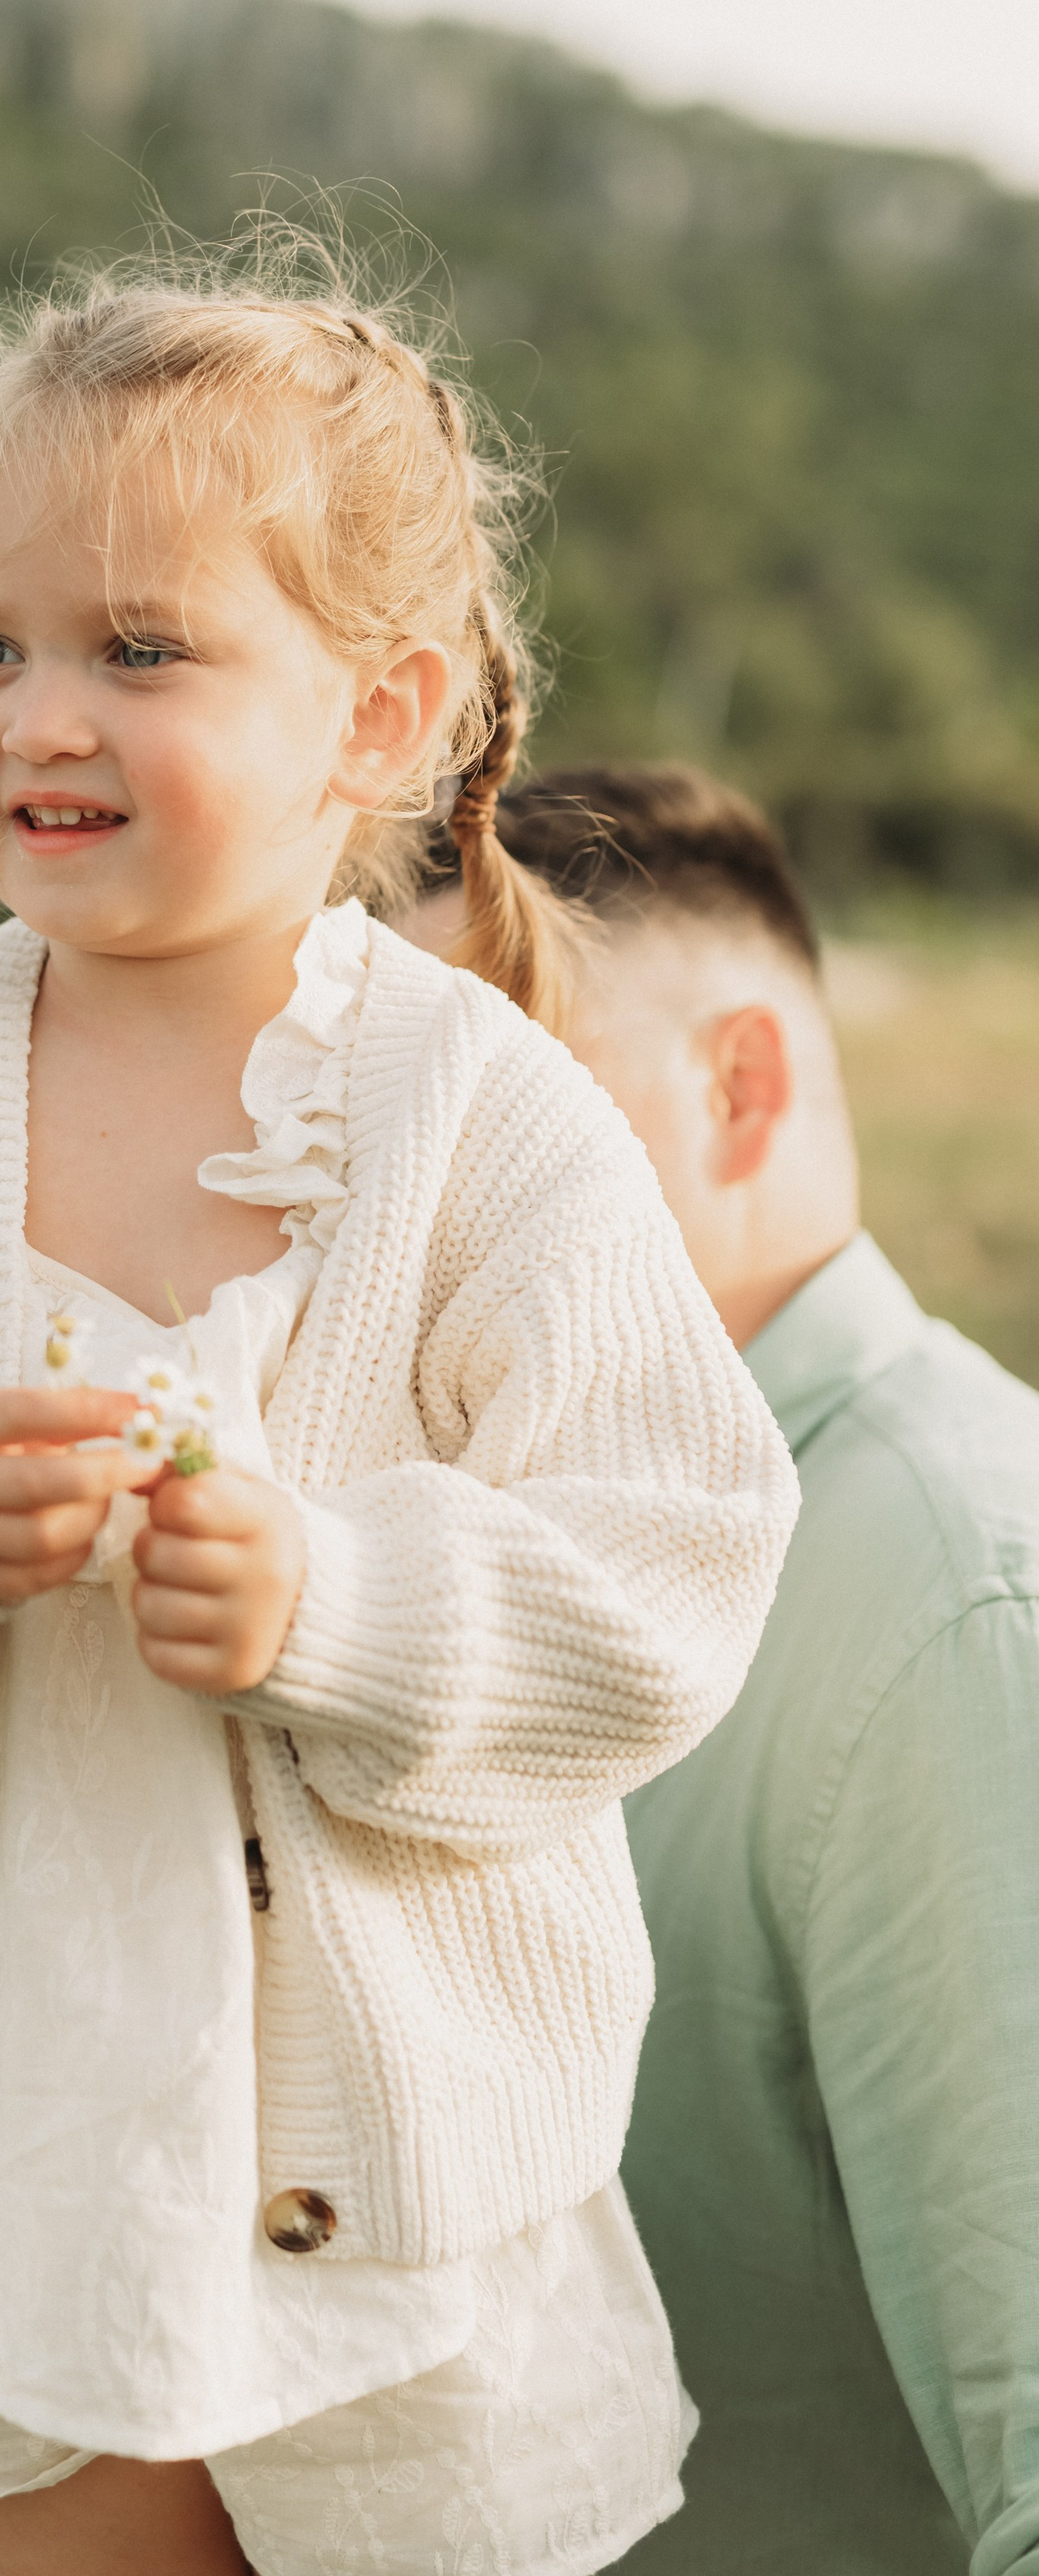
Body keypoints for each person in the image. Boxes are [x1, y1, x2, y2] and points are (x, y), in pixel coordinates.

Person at [0, 244, 798, 2576]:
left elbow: (669, 1547)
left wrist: (340, 1597)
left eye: (142, 648)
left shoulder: (481, 1117)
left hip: (392, 2169)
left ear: (380, 713)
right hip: (7, 2136)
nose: (37, 714)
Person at [407, 761, 1039, 2574]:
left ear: (737, 1087)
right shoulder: (525, 1567)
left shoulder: (952, 1596)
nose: (418, 1203)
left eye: (502, 1104)